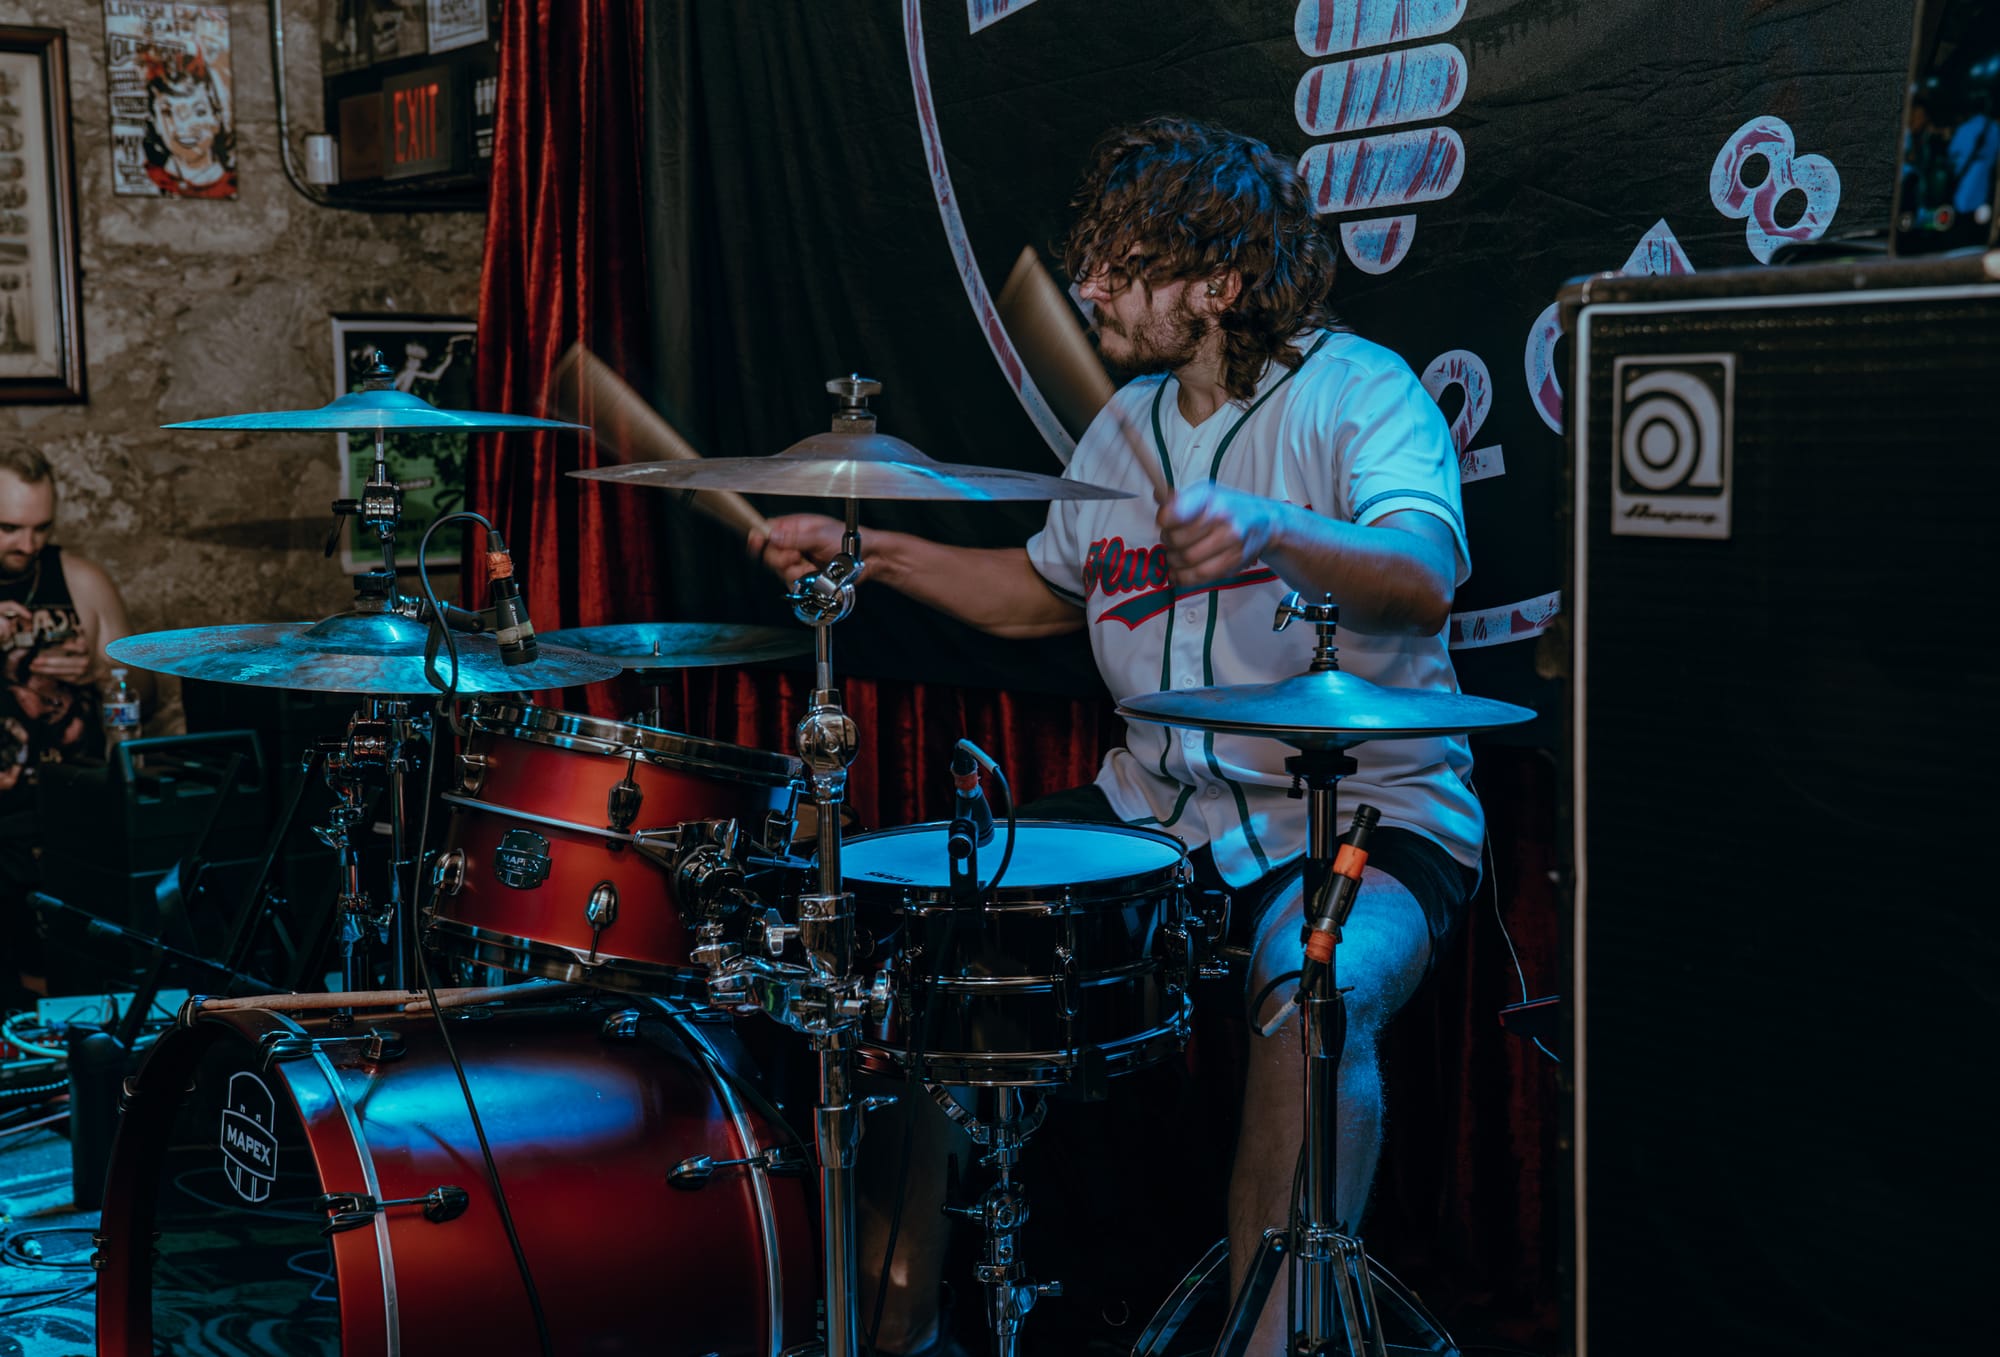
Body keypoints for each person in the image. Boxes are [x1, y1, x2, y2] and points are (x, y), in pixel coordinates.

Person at [751, 117, 1482, 1356]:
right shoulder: (1125, 422)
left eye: (1125, 266)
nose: (1090, 287)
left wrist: (1269, 528)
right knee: (927, 939)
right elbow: (1042, 591)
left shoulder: (1360, 392)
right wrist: (872, 554)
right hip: (1153, 809)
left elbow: (1422, 577)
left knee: (1314, 986)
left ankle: (1272, 1338)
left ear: (1220, 284)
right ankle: (892, 1326)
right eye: (1090, 262)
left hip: (1364, 813)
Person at [0, 441, 149, 1004]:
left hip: (74, 819)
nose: (27, 544)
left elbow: (145, 689)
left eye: (40, 528)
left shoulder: (80, 579)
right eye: (9, 528)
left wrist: (100, 672)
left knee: (81, 985)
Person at [139, 49, 236, 199]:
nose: (183, 126)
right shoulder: (151, 179)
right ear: (155, 122)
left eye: (199, 112)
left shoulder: (232, 183)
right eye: (168, 113)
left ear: (217, 118)